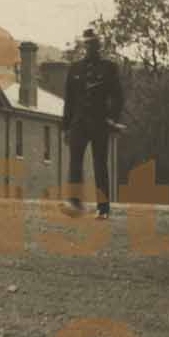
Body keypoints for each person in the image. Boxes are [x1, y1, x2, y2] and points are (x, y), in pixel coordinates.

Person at [63, 29, 123, 219]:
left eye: (93, 44)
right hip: (78, 123)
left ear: (99, 46)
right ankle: (74, 202)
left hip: (99, 122)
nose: (90, 47)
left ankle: (103, 208)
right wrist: (66, 127)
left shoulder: (108, 68)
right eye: (87, 44)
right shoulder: (75, 69)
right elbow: (69, 101)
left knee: (100, 165)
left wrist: (112, 118)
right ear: (84, 45)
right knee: (75, 163)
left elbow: (118, 97)